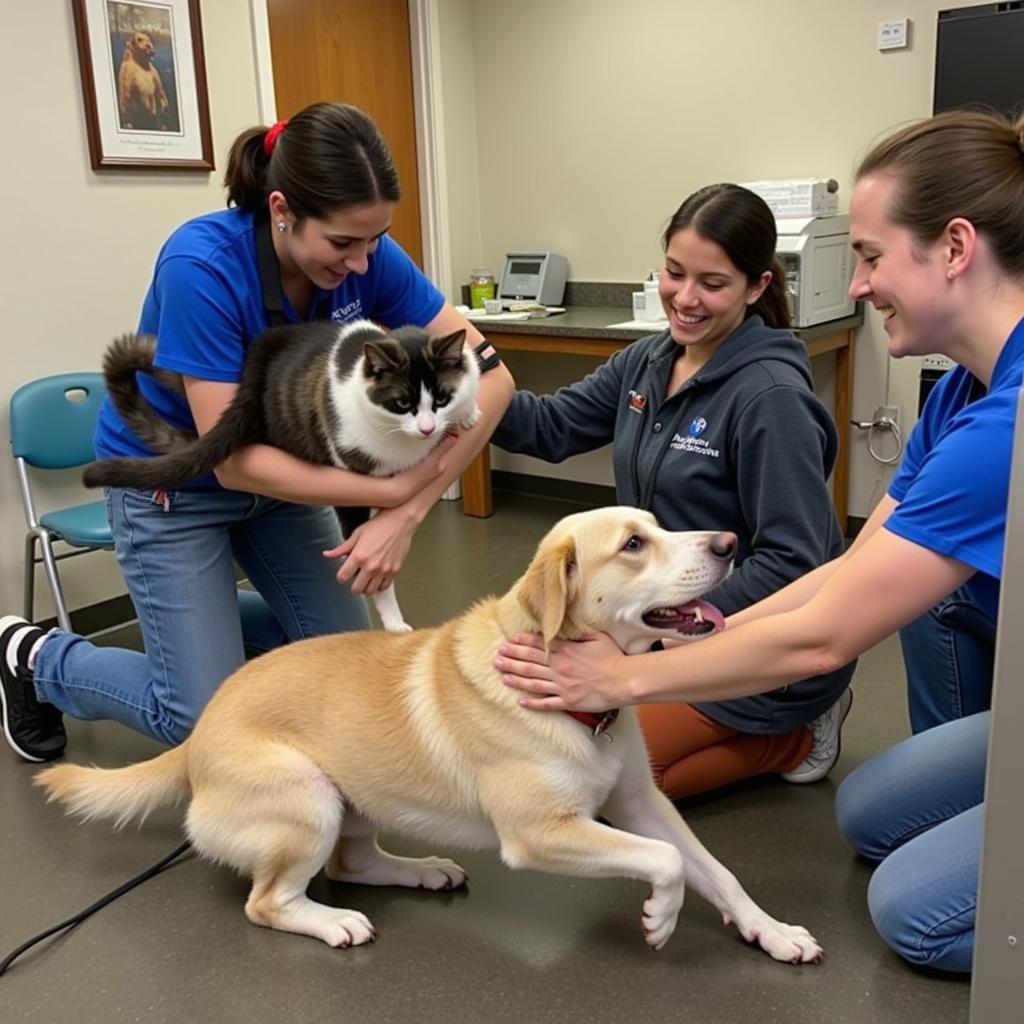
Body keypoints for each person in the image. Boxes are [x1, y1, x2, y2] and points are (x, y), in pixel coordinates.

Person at [494, 108, 1024, 973]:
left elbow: (825, 628)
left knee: (911, 912)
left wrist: (629, 671)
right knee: (870, 817)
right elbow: (855, 567)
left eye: (870, 255)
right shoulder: (957, 396)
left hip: (762, 663)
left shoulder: (1000, 424)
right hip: (733, 637)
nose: (855, 286)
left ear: (955, 247)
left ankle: (802, 743)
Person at [0, 102, 513, 762]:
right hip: (179, 484)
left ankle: (199, 629)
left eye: (375, 240)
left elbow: (494, 380)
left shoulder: (368, 255)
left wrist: (408, 507)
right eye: (341, 244)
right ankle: (35, 658)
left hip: (286, 487)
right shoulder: (201, 266)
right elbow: (231, 464)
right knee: (200, 723)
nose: (362, 263)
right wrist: (393, 496)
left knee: (348, 671)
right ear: (280, 209)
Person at [491, 183, 854, 800]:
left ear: (757, 287)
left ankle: (796, 729)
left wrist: (669, 635)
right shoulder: (649, 361)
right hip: (665, 616)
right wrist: (458, 383)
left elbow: (795, 563)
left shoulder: (771, 399)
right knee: (553, 748)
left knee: (612, 789)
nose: (684, 299)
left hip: (748, 643)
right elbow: (550, 428)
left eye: (711, 284)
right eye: (674, 273)